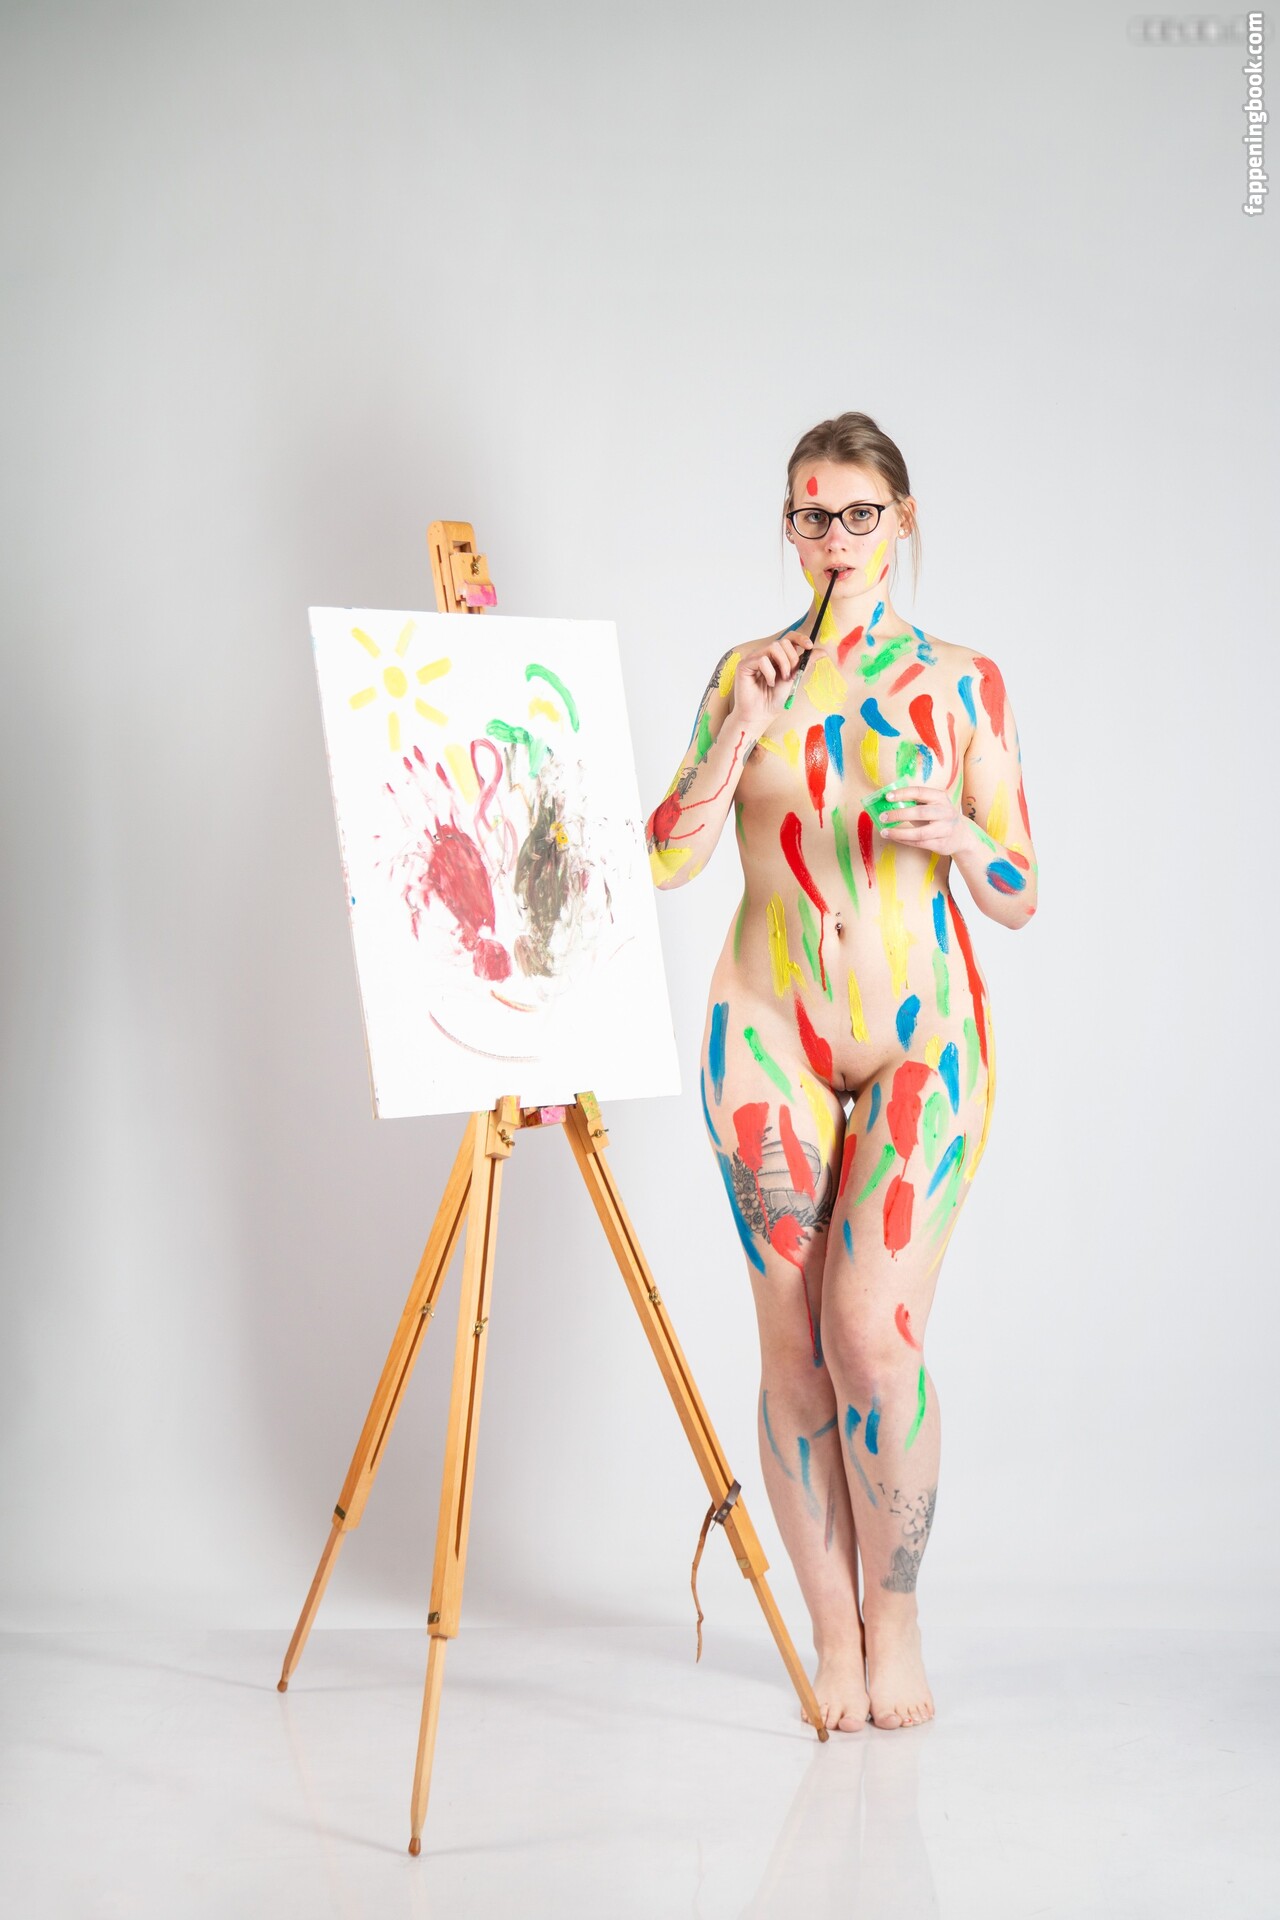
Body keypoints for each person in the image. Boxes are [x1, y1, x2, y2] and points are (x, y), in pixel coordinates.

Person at [645, 411, 1038, 1731]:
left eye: (860, 514)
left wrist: (966, 839)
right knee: (793, 1346)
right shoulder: (745, 673)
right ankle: (831, 1631)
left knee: (872, 1331)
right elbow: (666, 856)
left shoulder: (964, 682)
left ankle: (898, 1616)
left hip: (924, 1040)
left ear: (901, 522)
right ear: (790, 528)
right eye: (813, 517)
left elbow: (1020, 890)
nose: (835, 539)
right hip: (766, 1031)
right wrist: (735, 731)